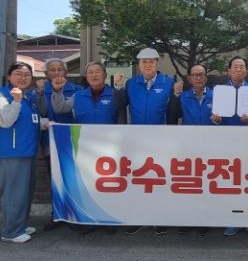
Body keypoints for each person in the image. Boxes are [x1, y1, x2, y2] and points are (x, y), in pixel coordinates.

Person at [49, 61, 127, 235]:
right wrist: (57, 91)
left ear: (105, 75)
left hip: (109, 149)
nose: (94, 75)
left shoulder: (114, 94)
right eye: (90, 72)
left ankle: (109, 221)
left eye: (97, 71)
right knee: (88, 186)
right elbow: (59, 107)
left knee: (108, 185)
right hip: (85, 150)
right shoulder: (78, 96)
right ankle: (90, 220)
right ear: (86, 76)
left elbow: (122, 114)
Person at [121, 48, 182, 236]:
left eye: (151, 61)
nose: (147, 65)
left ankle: (159, 218)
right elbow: (121, 106)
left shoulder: (169, 83)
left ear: (157, 63)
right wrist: (117, 89)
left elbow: (174, 113)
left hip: (160, 141)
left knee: (160, 181)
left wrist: (177, 95)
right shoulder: (131, 84)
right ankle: (138, 218)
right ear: (139, 65)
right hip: (136, 141)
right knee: (137, 181)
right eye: (143, 62)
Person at [214, 56, 248, 238]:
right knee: (230, 184)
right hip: (226, 144)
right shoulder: (220, 91)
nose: (239, 69)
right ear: (229, 70)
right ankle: (232, 220)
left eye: (242, 67)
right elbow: (215, 118)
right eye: (235, 67)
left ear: (246, 71)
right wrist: (216, 119)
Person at [35, 58, 82, 232]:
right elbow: (38, 113)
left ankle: (73, 214)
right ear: (46, 73)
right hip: (49, 142)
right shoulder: (40, 91)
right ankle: (57, 214)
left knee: (72, 179)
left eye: (59, 69)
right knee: (54, 179)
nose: (56, 73)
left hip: (71, 142)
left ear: (66, 72)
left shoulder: (77, 90)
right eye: (52, 70)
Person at [0, 62, 46, 243]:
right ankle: (11, 232)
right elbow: (5, 121)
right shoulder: (4, 95)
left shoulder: (28, 97)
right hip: (12, 153)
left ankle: (20, 224)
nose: (23, 78)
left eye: (27, 75)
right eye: (18, 74)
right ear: (9, 77)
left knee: (25, 191)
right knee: (14, 193)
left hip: (28, 151)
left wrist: (46, 123)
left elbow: (32, 120)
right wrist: (16, 101)